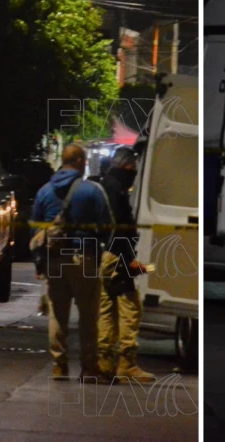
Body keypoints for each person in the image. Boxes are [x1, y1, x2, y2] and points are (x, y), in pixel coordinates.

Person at [32, 143, 113, 381]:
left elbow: (35, 230)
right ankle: (88, 367)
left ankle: (59, 365)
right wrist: (99, 250)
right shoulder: (92, 190)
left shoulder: (44, 191)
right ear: (78, 161)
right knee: (88, 315)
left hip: (54, 260)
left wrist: (39, 263)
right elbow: (107, 226)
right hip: (83, 258)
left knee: (58, 314)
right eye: (84, 160)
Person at [97, 147, 155, 382]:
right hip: (117, 256)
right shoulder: (116, 189)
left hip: (105, 255)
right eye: (132, 167)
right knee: (130, 308)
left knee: (106, 309)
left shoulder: (105, 186)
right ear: (125, 165)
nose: (134, 171)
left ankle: (103, 362)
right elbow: (119, 227)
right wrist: (129, 259)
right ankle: (126, 363)